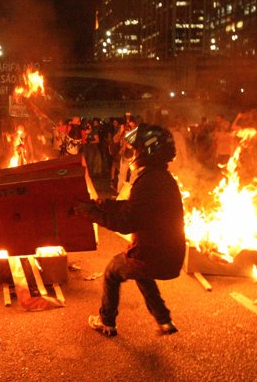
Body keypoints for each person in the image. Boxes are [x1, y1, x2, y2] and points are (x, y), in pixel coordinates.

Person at [74, 124, 185, 337]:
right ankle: (164, 320)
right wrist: (104, 204)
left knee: (112, 271)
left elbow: (125, 222)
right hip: (169, 255)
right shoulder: (162, 179)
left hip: (152, 254)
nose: (133, 153)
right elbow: (134, 207)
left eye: (137, 149)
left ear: (147, 151)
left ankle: (106, 321)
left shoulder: (148, 181)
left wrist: (90, 213)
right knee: (140, 273)